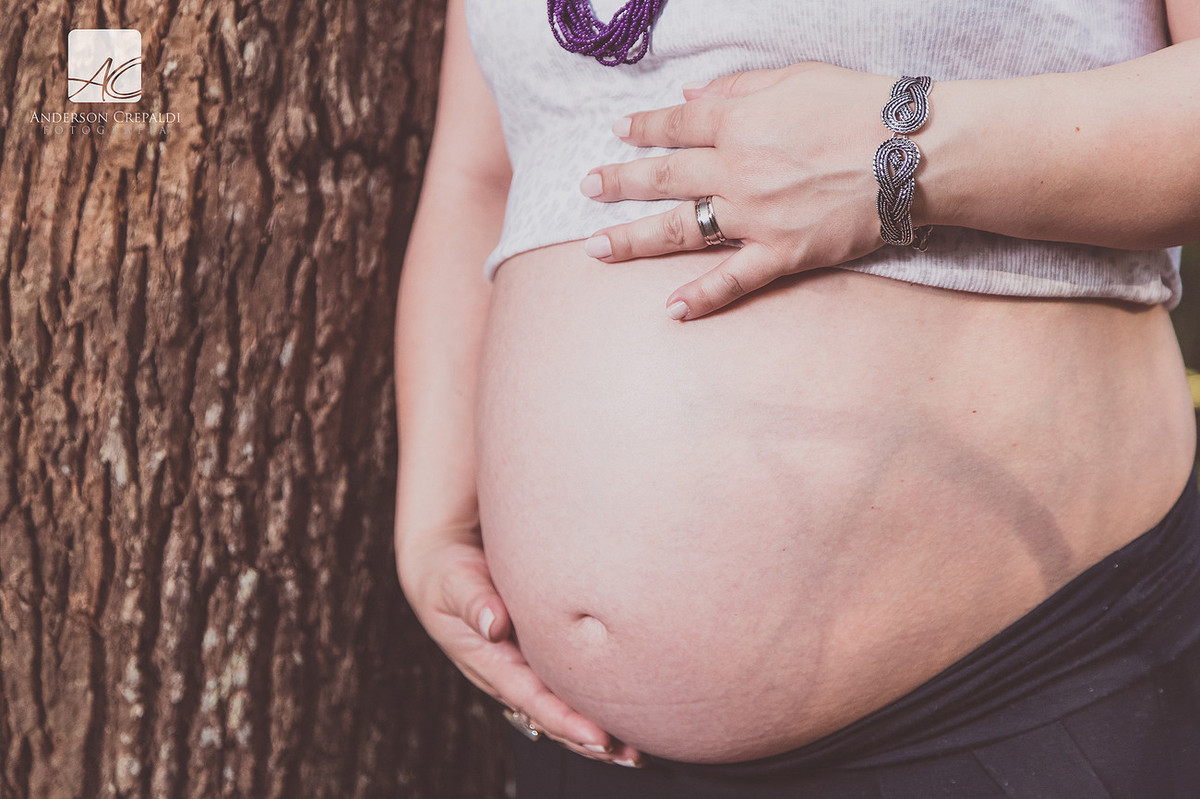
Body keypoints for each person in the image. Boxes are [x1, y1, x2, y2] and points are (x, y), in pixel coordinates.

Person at [394, 0, 1200, 795]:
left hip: (1010, 694)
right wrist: (431, 521)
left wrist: (900, 152)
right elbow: (481, 176)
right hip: (594, 745)